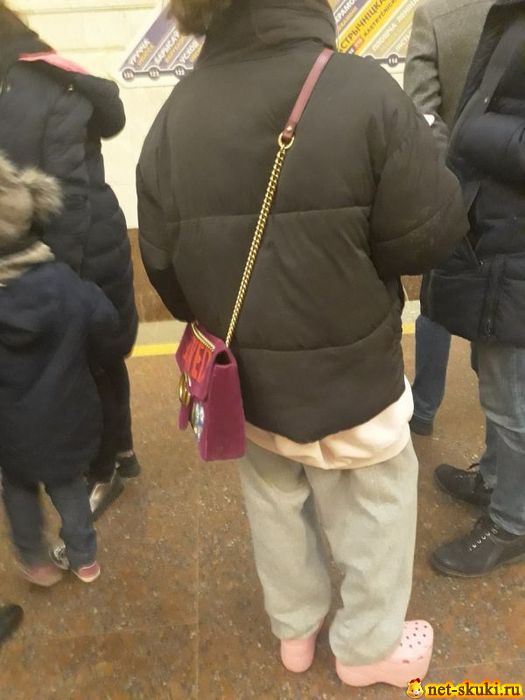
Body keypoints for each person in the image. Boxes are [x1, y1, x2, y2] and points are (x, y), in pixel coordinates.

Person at [137, 0, 468, 688]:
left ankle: (295, 632)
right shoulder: (362, 89)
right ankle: (366, 649)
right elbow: (425, 238)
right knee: (375, 500)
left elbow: (165, 267)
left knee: (273, 499)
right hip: (352, 370)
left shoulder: (176, 113)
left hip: (246, 380)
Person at [0, 3, 140, 519]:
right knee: (102, 358)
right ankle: (121, 453)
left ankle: (100, 471)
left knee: (81, 364)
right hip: (89, 245)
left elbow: (65, 202)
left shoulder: (30, 88)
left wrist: (53, 287)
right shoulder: (39, 78)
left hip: (73, 254)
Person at [424, 0, 525, 576]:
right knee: (494, 378)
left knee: (512, 397)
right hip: (497, 228)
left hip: (516, 238)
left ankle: (512, 521)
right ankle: (493, 479)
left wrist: (473, 130)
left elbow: (480, 121)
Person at [0, 156, 122, 584]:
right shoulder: (66, 282)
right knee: (69, 488)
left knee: (17, 489)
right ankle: (84, 558)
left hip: (10, 430)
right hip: (69, 417)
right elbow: (107, 326)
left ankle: (35, 561)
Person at [404, 0, 491, 436]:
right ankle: (499, 416)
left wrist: (454, 173)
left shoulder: (434, 16)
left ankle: (423, 409)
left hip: (452, 189)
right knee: (502, 305)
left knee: (436, 301)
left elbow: (420, 112)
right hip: (514, 192)